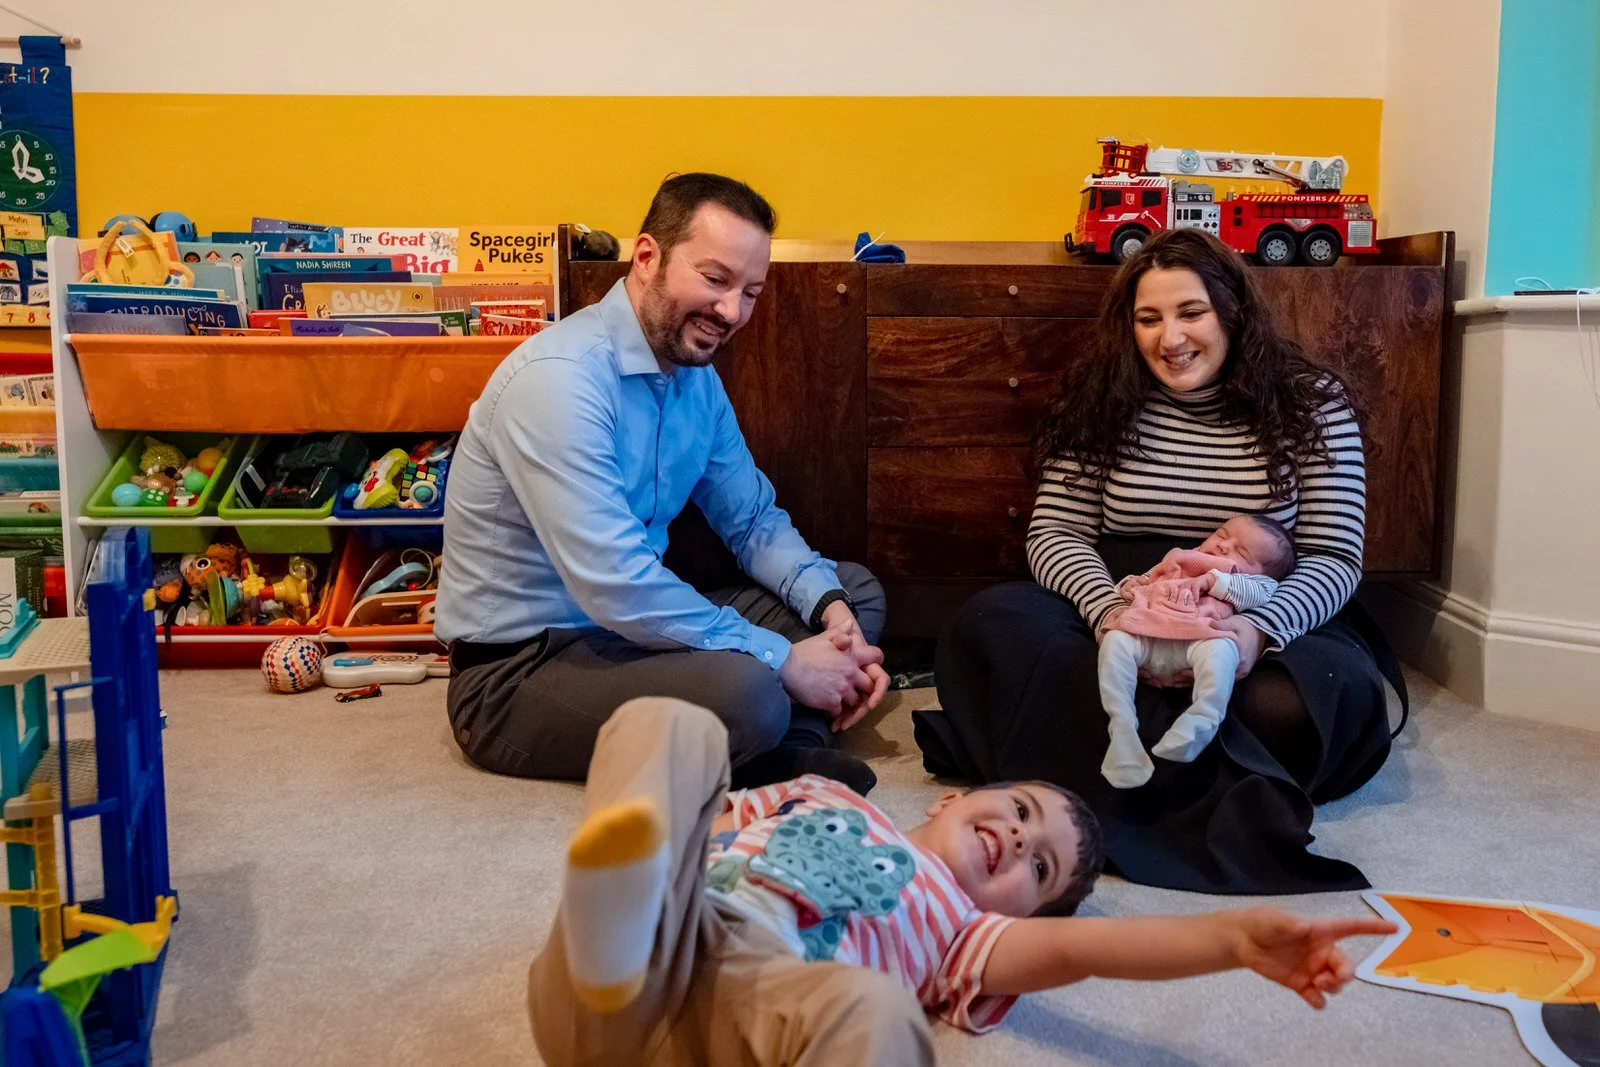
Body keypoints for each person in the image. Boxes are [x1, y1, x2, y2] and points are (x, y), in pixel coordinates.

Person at [919, 227, 1407, 895]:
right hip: (1124, 588)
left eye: (1190, 312)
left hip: (1255, 601)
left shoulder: (1313, 403)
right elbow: (1055, 532)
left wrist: (1252, 633)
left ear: (1232, 311)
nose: (1169, 338)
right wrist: (1111, 612)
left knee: (1304, 700)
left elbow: (1332, 555)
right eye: (1148, 318)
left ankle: (1112, 756)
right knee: (989, 627)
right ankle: (1210, 780)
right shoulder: (1098, 397)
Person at [528, 696, 1396, 1066]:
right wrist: (672, 829)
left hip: (755, 1011)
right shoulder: (825, 791)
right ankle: (618, 925)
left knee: (875, 1009)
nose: (1017, 839)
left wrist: (1234, 941)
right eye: (1018, 810)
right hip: (663, 938)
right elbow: (703, 818)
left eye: (1038, 865)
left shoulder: (963, 931)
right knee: (673, 728)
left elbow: (1093, 947)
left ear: (1020, 910)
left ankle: (620, 933)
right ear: (956, 795)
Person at [435, 173, 888, 794]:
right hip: (522, 668)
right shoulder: (558, 380)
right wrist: (784, 659)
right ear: (647, 257)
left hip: (635, 638)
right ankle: (781, 733)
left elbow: (751, 519)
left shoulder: (695, 378)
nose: (732, 313)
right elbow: (617, 584)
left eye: (750, 291)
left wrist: (831, 617)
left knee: (851, 595)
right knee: (754, 692)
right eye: (715, 279)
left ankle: (786, 750)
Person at [1098, 514, 1294, 788]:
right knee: (1114, 641)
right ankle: (1122, 726)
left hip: (1199, 637)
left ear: (1263, 572)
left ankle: (1202, 717)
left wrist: (1213, 581)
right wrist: (1129, 586)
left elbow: (1257, 594)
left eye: (1242, 551)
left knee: (1224, 649)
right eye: (1223, 535)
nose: (1225, 547)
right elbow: (1148, 579)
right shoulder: (1181, 558)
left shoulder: (1255, 582)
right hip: (1146, 632)